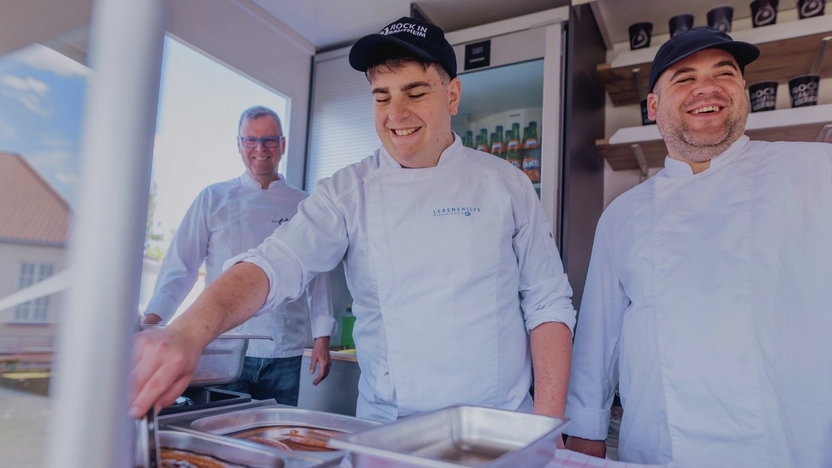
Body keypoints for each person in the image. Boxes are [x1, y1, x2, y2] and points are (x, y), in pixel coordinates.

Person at [130, 17, 576, 424]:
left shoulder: (506, 185)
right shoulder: (347, 191)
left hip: (498, 427)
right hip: (389, 429)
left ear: (452, 96)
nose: (396, 114)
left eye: (415, 93)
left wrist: (547, 427)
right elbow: (275, 263)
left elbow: (548, 304)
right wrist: (188, 331)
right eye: (382, 97)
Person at [564, 27, 832, 467]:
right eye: (684, 78)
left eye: (724, 73)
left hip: (793, 444)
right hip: (662, 448)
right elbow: (598, 338)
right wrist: (584, 430)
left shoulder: (817, 171)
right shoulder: (622, 215)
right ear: (654, 106)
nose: (707, 88)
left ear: (743, 90)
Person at [141, 106, 335, 405]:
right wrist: (152, 323)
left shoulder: (304, 204)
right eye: (251, 140)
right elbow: (181, 267)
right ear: (239, 144)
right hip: (224, 349)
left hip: (284, 351)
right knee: (217, 424)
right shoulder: (213, 198)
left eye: (269, 140)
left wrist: (323, 337)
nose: (260, 149)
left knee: (276, 428)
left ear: (282, 144)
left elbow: (316, 276)